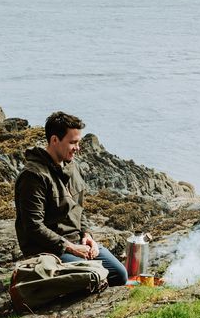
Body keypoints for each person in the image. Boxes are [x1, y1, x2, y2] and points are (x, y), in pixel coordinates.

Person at [14, 110, 128, 286]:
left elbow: (78, 209)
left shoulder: (73, 167)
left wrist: (87, 234)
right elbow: (33, 226)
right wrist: (70, 247)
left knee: (120, 275)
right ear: (54, 140)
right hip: (49, 249)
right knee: (91, 275)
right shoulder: (33, 176)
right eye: (73, 142)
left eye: (78, 142)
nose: (78, 147)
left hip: (76, 242)